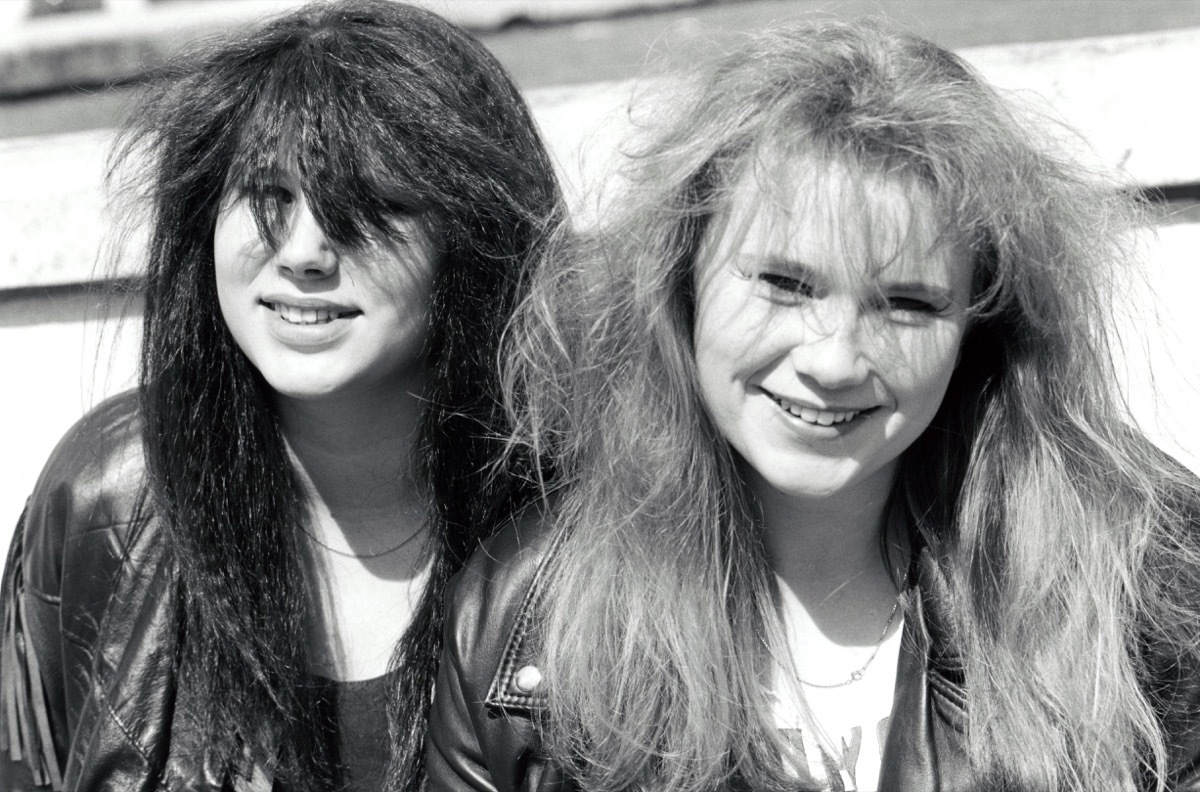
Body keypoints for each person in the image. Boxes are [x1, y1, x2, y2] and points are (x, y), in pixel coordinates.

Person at [426, 17, 1200, 792]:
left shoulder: (1149, 582)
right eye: (785, 285)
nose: (833, 360)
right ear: (681, 281)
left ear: (979, 330)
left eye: (907, 304)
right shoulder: (521, 621)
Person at [0, 1, 563, 790]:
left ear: (472, 238)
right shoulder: (106, 497)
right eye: (267, 195)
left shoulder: (591, 526)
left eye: (373, 205)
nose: (303, 253)